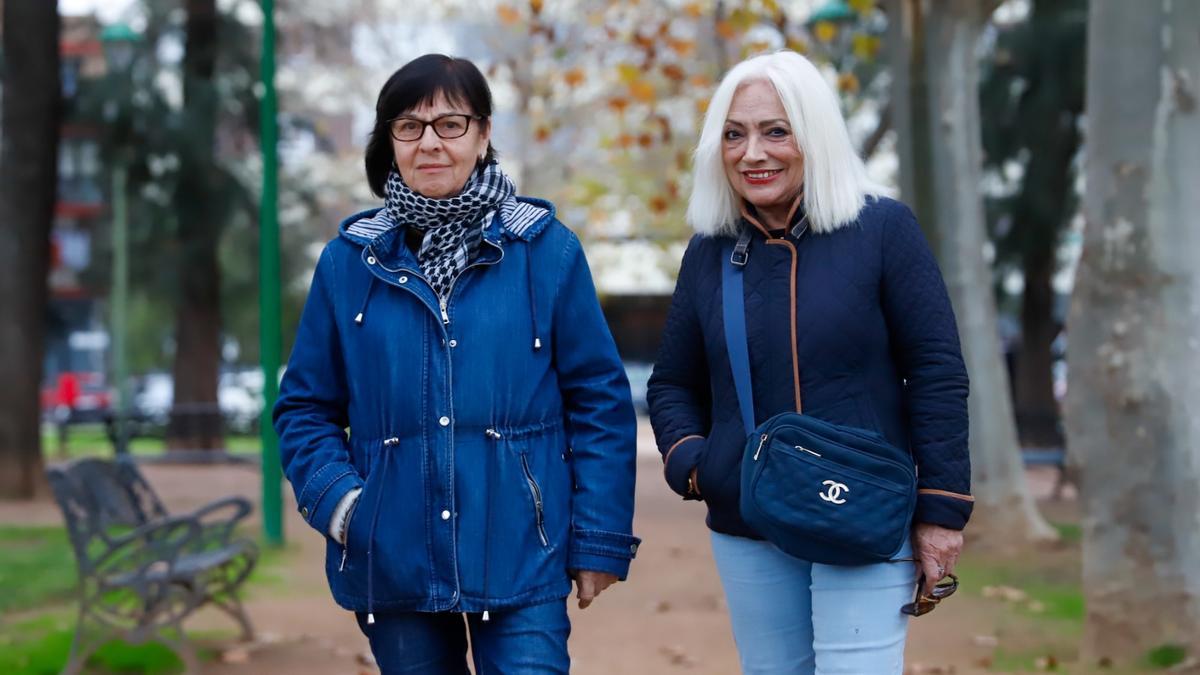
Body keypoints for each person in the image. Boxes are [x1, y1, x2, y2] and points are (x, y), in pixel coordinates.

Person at [274, 53, 640, 674]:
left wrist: (598, 539)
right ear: (390, 141)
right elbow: (304, 407)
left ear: (484, 133)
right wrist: (345, 508)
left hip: (524, 554)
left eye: (450, 124)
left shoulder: (545, 252)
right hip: (394, 559)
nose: (431, 144)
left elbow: (599, 401)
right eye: (410, 127)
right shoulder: (347, 264)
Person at [647, 50, 972, 674]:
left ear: (813, 135)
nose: (753, 153)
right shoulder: (708, 251)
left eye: (776, 131)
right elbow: (672, 383)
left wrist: (941, 509)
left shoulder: (884, 230)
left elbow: (935, 371)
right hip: (748, 519)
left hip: (865, 510)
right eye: (735, 134)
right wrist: (697, 465)